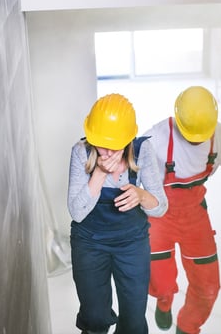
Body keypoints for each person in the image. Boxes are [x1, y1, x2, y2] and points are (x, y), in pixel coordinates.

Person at [144, 86, 221, 334]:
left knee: (208, 285)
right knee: (160, 279)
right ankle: (164, 300)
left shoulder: (220, 137)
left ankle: (187, 326)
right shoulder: (156, 139)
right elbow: (131, 171)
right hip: (158, 213)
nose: (196, 139)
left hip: (194, 216)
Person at [67, 93, 169, 334]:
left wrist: (141, 196)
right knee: (95, 317)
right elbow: (77, 212)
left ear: (127, 138)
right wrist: (99, 174)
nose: (106, 152)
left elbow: (161, 206)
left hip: (132, 243)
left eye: (113, 146)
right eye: (100, 143)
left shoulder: (142, 150)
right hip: (89, 243)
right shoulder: (81, 151)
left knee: (134, 321)